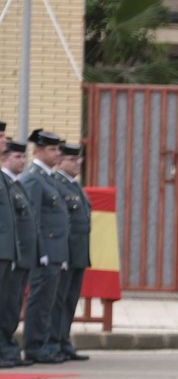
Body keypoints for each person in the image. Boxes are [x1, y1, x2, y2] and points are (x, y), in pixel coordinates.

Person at [20, 130, 69, 365]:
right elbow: (34, 219)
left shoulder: (47, 178)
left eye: (57, 149)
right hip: (45, 253)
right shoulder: (33, 178)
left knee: (49, 302)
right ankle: (34, 346)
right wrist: (42, 253)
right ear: (38, 151)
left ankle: (44, 344)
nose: (57, 153)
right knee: (39, 302)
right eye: (52, 149)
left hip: (55, 251)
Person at [51, 142, 92, 363]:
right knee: (58, 300)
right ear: (60, 161)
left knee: (70, 300)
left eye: (79, 160)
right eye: (72, 160)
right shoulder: (57, 184)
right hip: (64, 252)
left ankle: (63, 340)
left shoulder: (75, 186)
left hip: (78, 252)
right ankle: (55, 341)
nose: (78, 164)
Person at [0, 138, 36, 370]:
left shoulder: (12, 183)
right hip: (6, 251)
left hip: (12, 252)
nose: (22, 160)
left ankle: (7, 348)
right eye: (17, 156)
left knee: (10, 304)